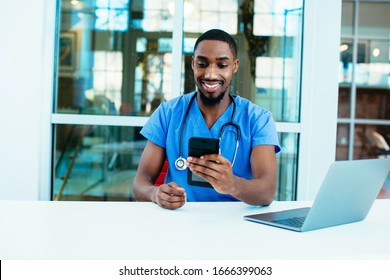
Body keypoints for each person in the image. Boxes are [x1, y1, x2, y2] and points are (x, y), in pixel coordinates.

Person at [132, 29, 280, 210]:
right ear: (193, 64)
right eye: (202, 63)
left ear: (234, 66)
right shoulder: (168, 113)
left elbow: (267, 192)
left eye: (222, 65)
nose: (210, 74)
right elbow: (140, 183)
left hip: (236, 223)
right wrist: (155, 194)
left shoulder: (258, 119)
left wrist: (233, 184)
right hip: (180, 219)